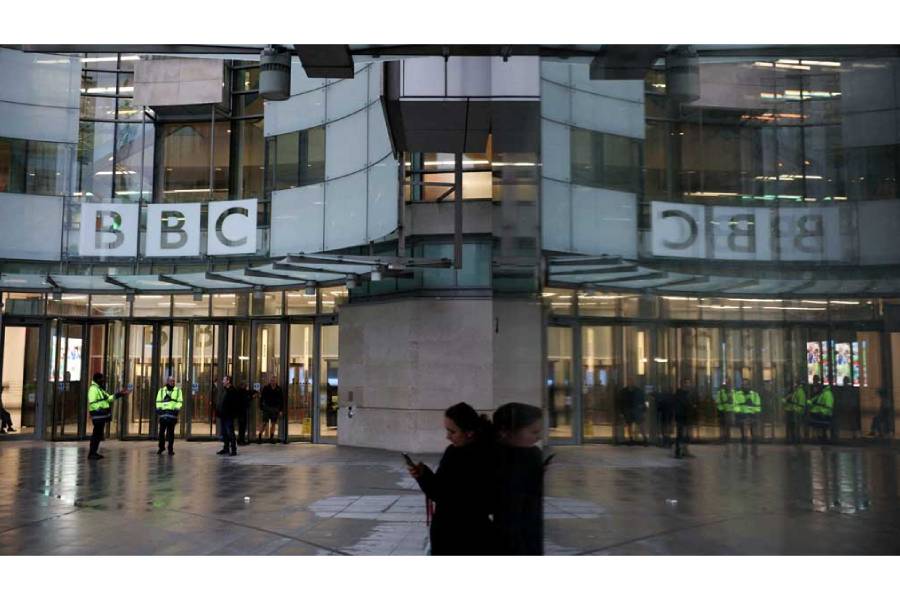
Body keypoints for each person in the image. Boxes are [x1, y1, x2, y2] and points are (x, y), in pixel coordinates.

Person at [407, 402, 496, 555]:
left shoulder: (483, 458)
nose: (447, 437)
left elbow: (445, 495)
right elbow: (440, 491)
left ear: (469, 432)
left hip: (464, 537)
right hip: (452, 533)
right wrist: (423, 475)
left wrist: (425, 478)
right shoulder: (454, 452)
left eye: (452, 432)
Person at [491, 402, 544, 555]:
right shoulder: (497, 457)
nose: (539, 437)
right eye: (534, 432)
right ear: (507, 432)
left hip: (530, 528)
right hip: (511, 535)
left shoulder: (533, 454)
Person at [87, 372, 127, 460]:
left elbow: (108, 398)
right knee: (96, 434)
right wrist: (101, 409)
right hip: (98, 415)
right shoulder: (93, 389)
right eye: (101, 379)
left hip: (101, 416)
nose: (103, 381)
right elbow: (93, 402)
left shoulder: (99, 389)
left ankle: (94, 452)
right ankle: (92, 453)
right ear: (97, 380)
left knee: (98, 434)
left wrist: (119, 394)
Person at [155, 376, 183, 455]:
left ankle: (170, 449)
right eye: (171, 381)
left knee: (171, 433)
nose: (172, 382)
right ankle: (161, 447)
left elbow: (180, 401)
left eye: (174, 381)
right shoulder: (161, 391)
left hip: (172, 415)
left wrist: (176, 409)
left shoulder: (178, 391)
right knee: (161, 433)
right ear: (167, 381)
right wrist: (159, 409)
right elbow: (158, 401)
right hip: (163, 415)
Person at [216, 375, 241, 456]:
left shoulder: (232, 391)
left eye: (224, 380)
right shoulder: (225, 390)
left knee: (230, 432)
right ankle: (226, 448)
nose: (222, 381)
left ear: (228, 381)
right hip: (223, 415)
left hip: (228, 416)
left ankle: (233, 450)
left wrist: (231, 414)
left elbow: (233, 405)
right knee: (224, 433)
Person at [673, 378, 696, 459]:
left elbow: (691, 403)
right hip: (681, 416)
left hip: (687, 416)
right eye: (686, 383)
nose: (688, 385)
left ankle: (685, 450)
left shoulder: (689, 393)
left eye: (688, 383)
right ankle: (678, 451)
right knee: (680, 434)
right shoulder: (679, 393)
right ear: (682, 384)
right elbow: (681, 404)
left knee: (687, 435)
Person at [618, 381, 647, 445]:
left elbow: (642, 401)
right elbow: (621, 402)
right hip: (629, 410)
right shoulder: (624, 391)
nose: (630, 383)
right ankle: (631, 439)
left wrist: (643, 410)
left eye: (631, 382)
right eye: (629, 382)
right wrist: (621, 412)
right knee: (630, 425)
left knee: (640, 425)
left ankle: (644, 439)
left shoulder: (637, 391)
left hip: (635, 410)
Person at [807, 375, 835, 443]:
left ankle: (822, 438)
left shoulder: (826, 393)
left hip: (822, 414)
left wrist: (822, 412)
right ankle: (820, 437)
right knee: (820, 427)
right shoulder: (823, 393)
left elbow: (828, 406)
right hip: (820, 413)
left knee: (821, 427)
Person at [733, 380, 761, 444]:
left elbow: (758, 405)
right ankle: (744, 438)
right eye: (743, 385)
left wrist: (755, 412)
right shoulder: (737, 394)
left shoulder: (754, 394)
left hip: (752, 414)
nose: (745, 386)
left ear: (749, 385)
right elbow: (735, 404)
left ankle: (754, 438)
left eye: (746, 385)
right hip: (742, 414)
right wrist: (739, 412)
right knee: (744, 425)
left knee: (753, 426)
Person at [257, 375, 283, 444]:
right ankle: (259, 437)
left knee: (273, 423)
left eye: (274, 380)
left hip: (275, 408)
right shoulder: (266, 388)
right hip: (267, 407)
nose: (272, 382)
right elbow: (262, 398)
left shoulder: (279, 389)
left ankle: (271, 438)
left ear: (276, 381)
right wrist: (261, 407)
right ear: (270, 381)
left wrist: (280, 410)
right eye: (271, 380)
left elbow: (281, 400)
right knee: (264, 423)